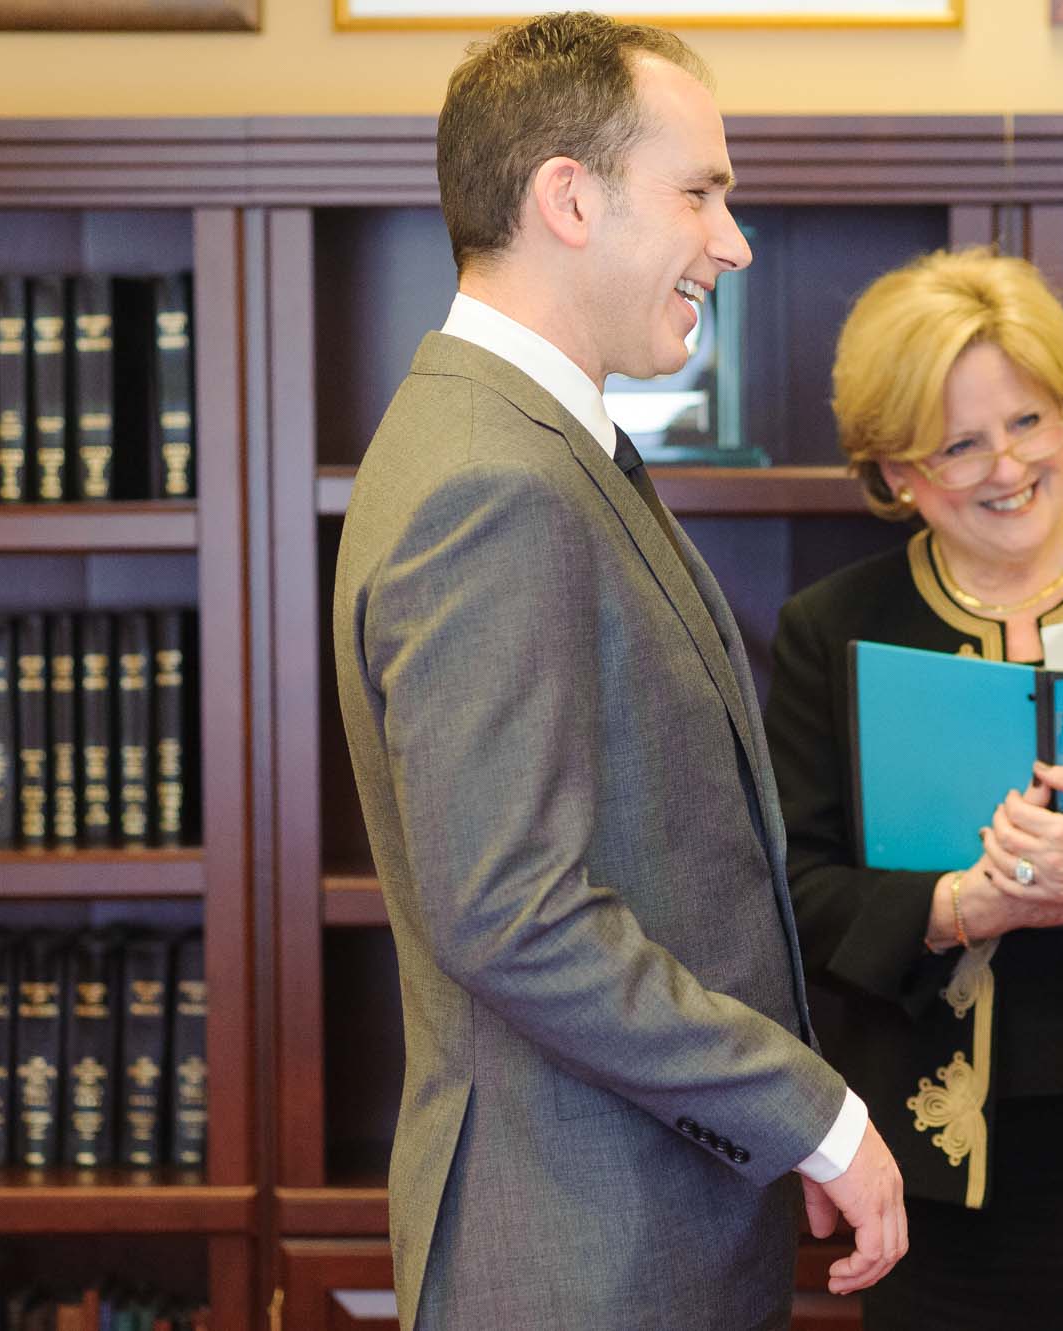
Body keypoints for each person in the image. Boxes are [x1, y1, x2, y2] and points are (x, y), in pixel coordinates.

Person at [330, 14, 905, 1329]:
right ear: (568, 198)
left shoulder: (532, 442)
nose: (733, 240)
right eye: (700, 192)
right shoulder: (495, 478)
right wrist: (804, 1112)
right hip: (580, 1263)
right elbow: (513, 915)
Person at [765, 248, 1063, 1330]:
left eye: (1028, 421)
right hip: (938, 1165)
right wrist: (959, 904)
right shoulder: (835, 628)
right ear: (896, 468)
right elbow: (791, 890)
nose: (1008, 466)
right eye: (958, 443)